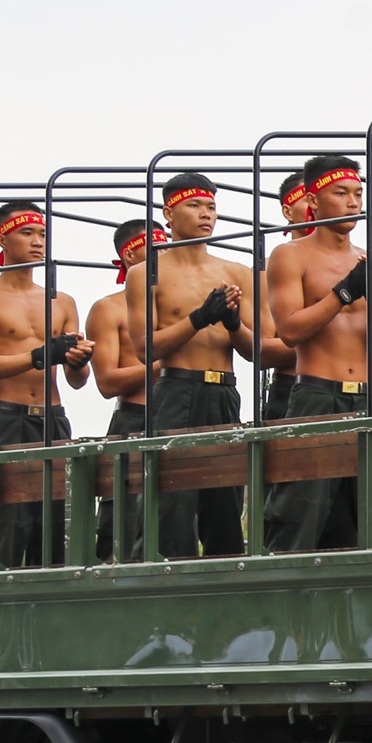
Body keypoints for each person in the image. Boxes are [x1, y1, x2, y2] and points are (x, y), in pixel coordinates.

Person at [262, 156, 372, 550]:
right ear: (312, 200)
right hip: (317, 395)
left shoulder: (371, 260)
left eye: (358, 193)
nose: (352, 202)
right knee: (298, 516)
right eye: (340, 193)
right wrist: (344, 291)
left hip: (368, 397)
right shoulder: (289, 255)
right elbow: (290, 330)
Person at [129, 173, 262, 559]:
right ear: (169, 213)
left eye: (212, 207)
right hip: (175, 390)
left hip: (223, 391)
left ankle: (227, 601)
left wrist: (233, 323)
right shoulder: (146, 272)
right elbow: (144, 348)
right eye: (195, 205)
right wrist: (199, 318)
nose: (206, 214)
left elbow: (257, 350)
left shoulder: (236, 272)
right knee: (170, 505)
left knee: (225, 503)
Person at [0, 201, 95, 566]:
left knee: (55, 530)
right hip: (5, 421)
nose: (38, 241)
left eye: (43, 234)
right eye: (27, 232)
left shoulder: (62, 301)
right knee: (0, 531)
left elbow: (77, 380)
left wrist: (78, 360)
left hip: (52, 418)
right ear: (3, 238)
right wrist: (39, 355)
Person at [87, 218, 157, 559]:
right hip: (133, 419)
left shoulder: (184, 299)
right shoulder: (108, 308)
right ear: (129, 255)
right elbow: (107, 381)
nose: (163, 249)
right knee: (123, 528)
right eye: (153, 242)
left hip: (181, 413)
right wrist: (166, 366)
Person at [259, 168, 320, 424]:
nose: (316, 205)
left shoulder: (355, 263)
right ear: (287, 211)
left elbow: (371, 358)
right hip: (290, 387)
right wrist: (334, 345)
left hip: (355, 388)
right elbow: (263, 350)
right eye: (308, 198)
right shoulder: (266, 271)